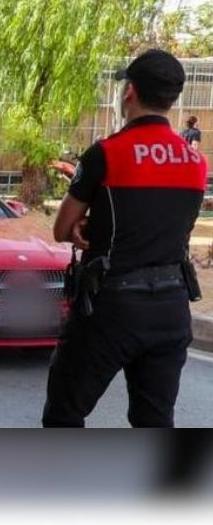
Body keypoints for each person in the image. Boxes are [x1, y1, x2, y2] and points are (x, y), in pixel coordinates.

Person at [43, 49, 206, 428]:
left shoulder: (107, 153)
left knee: (65, 413)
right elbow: (165, 222)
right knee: (154, 419)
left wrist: (87, 226)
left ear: (129, 91)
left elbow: (62, 229)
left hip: (112, 307)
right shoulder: (196, 162)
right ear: (173, 98)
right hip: (171, 306)